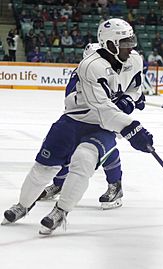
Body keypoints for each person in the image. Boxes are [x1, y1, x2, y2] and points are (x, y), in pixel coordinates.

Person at [2, 18, 154, 235]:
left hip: (102, 127)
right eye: (125, 42)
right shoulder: (90, 67)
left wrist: (129, 99)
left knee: (84, 160)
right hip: (76, 120)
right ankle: (23, 205)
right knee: (43, 168)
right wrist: (132, 128)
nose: (131, 47)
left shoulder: (134, 60)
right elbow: (102, 109)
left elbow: (135, 87)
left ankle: (60, 211)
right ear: (110, 44)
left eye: (131, 41)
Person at [38, 42, 146, 210]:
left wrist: (132, 99)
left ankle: (115, 186)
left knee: (106, 148)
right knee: (68, 149)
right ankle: (59, 184)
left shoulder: (115, 67)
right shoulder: (84, 72)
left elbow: (129, 89)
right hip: (85, 119)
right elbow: (76, 100)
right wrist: (120, 103)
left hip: (107, 119)